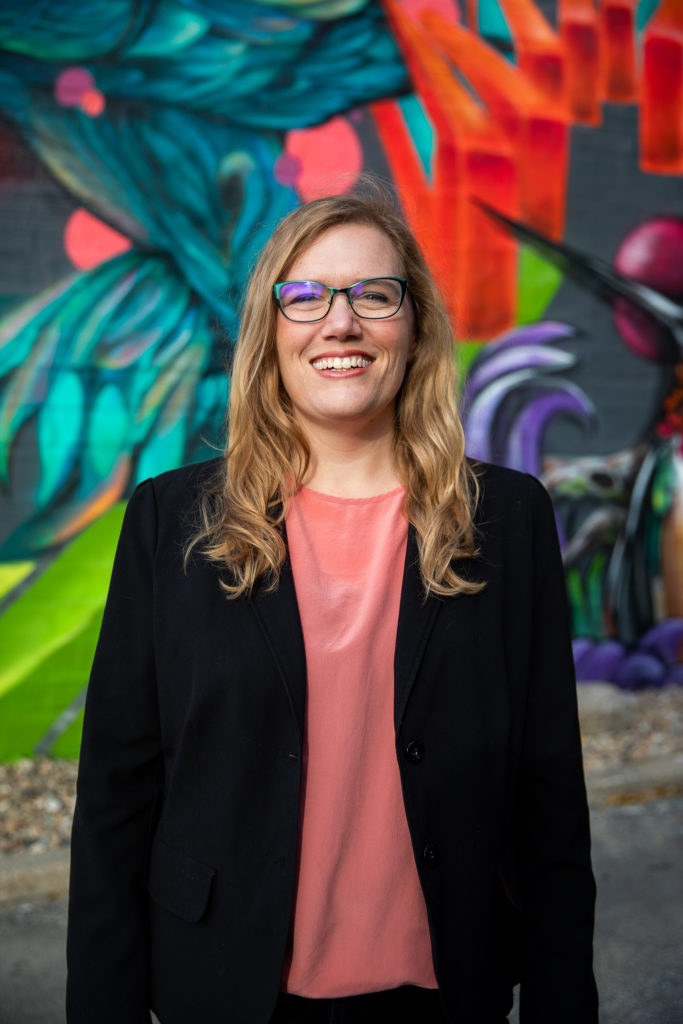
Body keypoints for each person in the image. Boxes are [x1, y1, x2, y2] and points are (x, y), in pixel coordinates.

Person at [66, 186, 598, 1024]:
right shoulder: (173, 522)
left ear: (412, 323)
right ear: (270, 330)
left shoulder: (507, 520)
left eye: (372, 295)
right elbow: (115, 796)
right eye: (304, 295)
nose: (338, 323)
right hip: (228, 989)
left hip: (442, 990)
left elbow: (549, 794)